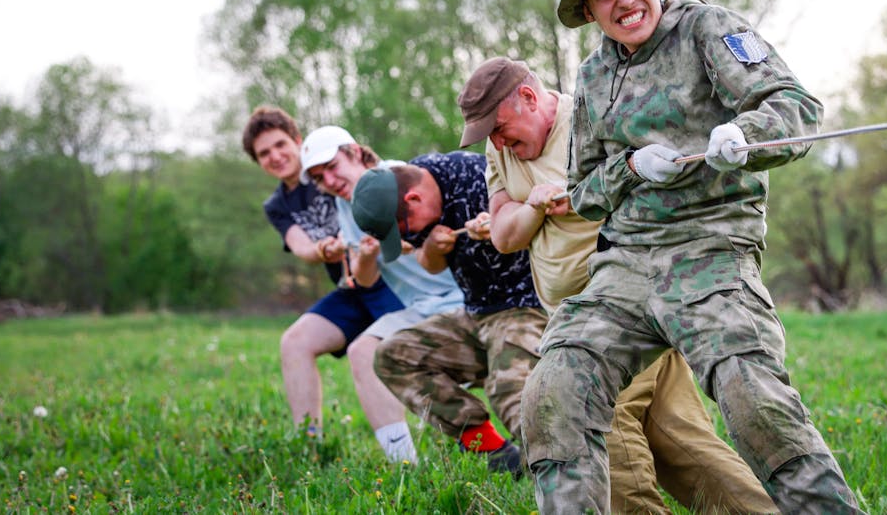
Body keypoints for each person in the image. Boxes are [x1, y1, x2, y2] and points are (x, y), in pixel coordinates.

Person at [520, 0, 863, 513]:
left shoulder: (707, 29)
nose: (626, 0)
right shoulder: (595, 76)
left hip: (710, 251)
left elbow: (797, 109)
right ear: (589, 11)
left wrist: (745, 136)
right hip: (624, 264)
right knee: (552, 390)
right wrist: (631, 167)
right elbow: (583, 192)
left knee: (752, 397)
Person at [457, 56, 777, 513]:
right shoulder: (501, 149)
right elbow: (505, 236)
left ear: (528, 98)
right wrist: (536, 203)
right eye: (488, 133)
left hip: (620, 309)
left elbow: (652, 191)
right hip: (571, 318)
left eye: (499, 126)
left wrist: (592, 194)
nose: (497, 140)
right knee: (682, 446)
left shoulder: (594, 120)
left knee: (597, 420)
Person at [243, 108, 461, 463]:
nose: (275, 156)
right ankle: (311, 448)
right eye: (263, 153)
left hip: (411, 290)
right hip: (359, 284)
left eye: (280, 145)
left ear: (298, 142)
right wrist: (327, 249)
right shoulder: (284, 202)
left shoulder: (377, 177)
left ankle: (463, 441)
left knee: (397, 357)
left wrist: (408, 239)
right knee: (297, 342)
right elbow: (306, 249)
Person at [331, 149, 545, 478]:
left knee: (511, 395)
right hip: (475, 313)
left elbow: (545, 214)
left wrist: (501, 225)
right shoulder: (403, 196)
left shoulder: (478, 176)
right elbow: (429, 264)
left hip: (524, 306)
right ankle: (495, 453)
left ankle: (564, 476)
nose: (403, 237)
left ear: (414, 200)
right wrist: (432, 248)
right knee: (393, 354)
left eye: (402, 230)